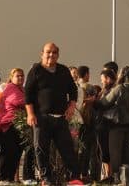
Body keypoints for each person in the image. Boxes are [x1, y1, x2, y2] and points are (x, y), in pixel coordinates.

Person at [24, 42, 85, 186]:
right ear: (42, 54)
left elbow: (73, 90)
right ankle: (46, 178)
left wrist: (71, 106)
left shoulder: (63, 70)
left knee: (67, 149)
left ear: (58, 55)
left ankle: (74, 178)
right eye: (48, 52)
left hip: (60, 118)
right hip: (41, 118)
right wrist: (30, 114)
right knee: (41, 149)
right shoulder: (36, 70)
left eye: (54, 53)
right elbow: (28, 95)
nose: (51, 55)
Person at [94, 66, 129, 185]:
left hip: (118, 125)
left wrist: (94, 101)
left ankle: (116, 176)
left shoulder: (119, 88)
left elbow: (105, 103)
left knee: (115, 152)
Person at [0, 68, 26, 186]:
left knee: (16, 152)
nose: (20, 78)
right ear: (12, 77)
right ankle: (2, 179)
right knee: (8, 152)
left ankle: (10, 178)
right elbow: (19, 101)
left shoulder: (22, 89)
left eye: (22, 76)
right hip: (7, 125)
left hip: (18, 125)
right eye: (18, 76)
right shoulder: (11, 88)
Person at [77, 65, 98, 182]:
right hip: (88, 121)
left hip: (77, 121)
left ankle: (77, 173)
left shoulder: (75, 86)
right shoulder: (89, 87)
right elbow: (96, 99)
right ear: (85, 75)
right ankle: (85, 174)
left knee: (79, 149)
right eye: (88, 74)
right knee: (88, 149)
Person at [96, 68, 117, 182]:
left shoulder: (113, 91)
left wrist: (94, 102)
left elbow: (104, 105)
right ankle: (107, 175)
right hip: (103, 124)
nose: (102, 81)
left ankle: (109, 175)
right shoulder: (105, 90)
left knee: (107, 151)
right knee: (103, 151)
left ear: (108, 79)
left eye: (102, 79)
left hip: (108, 124)